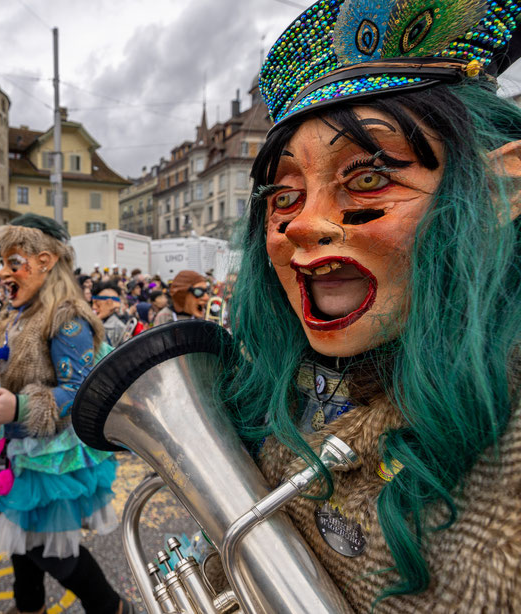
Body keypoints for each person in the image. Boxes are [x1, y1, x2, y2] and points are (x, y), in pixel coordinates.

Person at [219, 0, 521, 611]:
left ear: (498, 191)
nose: (303, 225)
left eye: (366, 179)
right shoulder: (277, 388)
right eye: (285, 194)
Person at [0, 213, 128, 614]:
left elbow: (81, 389)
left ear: (46, 261)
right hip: (11, 446)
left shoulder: (67, 319)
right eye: (2, 264)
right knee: (17, 534)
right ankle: (29, 605)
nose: (2, 273)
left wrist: (19, 405)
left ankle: (111, 608)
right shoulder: (15, 314)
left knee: (50, 550)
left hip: (48, 457)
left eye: (13, 262)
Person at [91, 281, 129, 348]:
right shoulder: (91, 323)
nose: (94, 307)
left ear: (109, 303)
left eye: (97, 303)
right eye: (93, 303)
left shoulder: (119, 327)